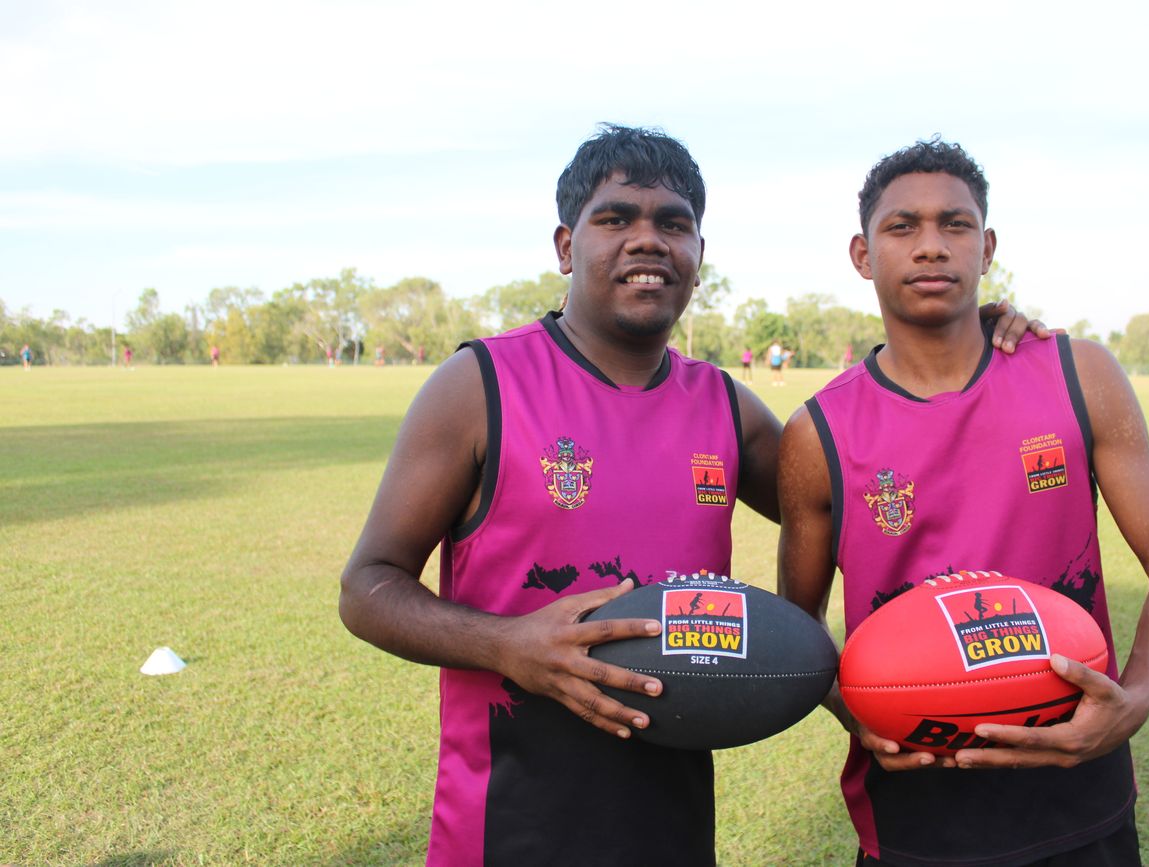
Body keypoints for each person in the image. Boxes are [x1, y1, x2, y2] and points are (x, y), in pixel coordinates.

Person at [339, 126, 1046, 866]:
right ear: (565, 246)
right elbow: (367, 586)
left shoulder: (725, 408)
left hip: (673, 825)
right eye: (616, 218)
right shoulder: (480, 386)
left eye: (673, 224)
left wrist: (966, 335)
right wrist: (508, 644)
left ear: (698, 256)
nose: (648, 239)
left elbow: (870, 490)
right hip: (505, 826)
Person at [777, 138, 1149, 866]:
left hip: (1082, 801)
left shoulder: (1078, 373)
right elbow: (799, 626)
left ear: (986, 248)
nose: (931, 245)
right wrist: (853, 708)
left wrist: (1135, 697)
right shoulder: (816, 432)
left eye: (955, 224)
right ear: (862, 254)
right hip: (916, 817)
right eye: (901, 227)